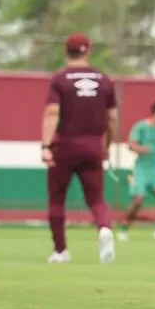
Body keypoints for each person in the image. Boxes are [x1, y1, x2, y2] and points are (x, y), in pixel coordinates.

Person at [41, 33, 117, 264]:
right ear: (88, 52)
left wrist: (45, 145)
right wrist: (107, 145)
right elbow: (112, 118)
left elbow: (52, 113)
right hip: (93, 145)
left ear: (66, 52)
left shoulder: (60, 79)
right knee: (96, 199)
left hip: (65, 146)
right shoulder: (104, 80)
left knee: (57, 200)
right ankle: (104, 228)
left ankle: (61, 251)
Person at [118, 101, 155, 241]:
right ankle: (124, 228)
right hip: (140, 170)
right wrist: (142, 149)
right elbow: (130, 145)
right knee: (138, 200)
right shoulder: (141, 126)